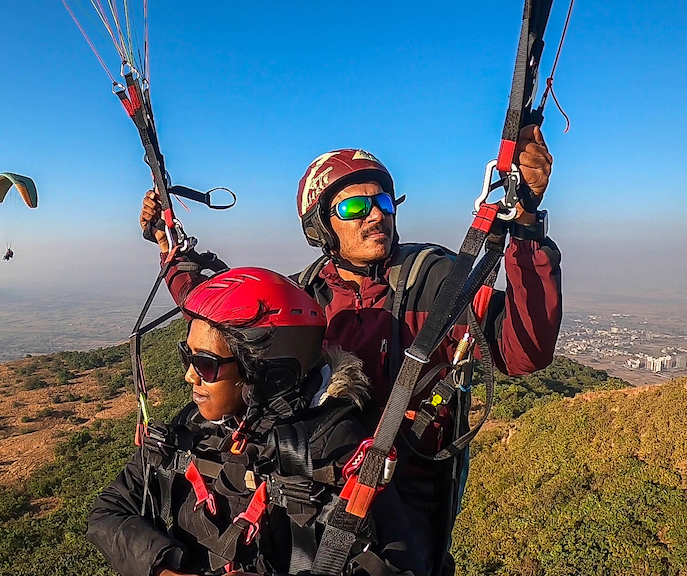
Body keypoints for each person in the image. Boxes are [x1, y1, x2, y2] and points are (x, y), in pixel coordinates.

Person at [139, 126, 561, 576]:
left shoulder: (436, 279)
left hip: (403, 492)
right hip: (315, 482)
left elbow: (524, 349)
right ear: (323, 224)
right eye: (355, 206)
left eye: (382, 203)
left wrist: (526, 226)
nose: (375, 215)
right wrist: (170, 248)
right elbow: (224, 315)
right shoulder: (305, 296)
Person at [88, 268, 428, 576]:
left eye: (205, 363)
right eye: (186, 355)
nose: (189, 375)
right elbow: (108, 513)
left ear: (266, 372)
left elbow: (397, 566)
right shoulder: (192, 427)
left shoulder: (336, 448)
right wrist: (164, 569)